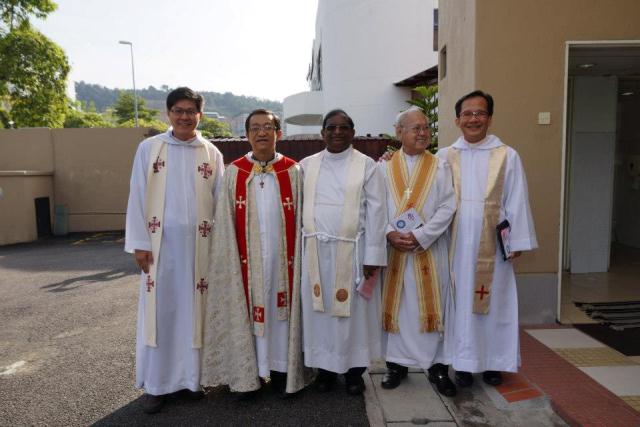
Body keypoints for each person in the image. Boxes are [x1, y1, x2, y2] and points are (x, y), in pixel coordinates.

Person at [124, 87, 224, 414]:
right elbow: (138, 195)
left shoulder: (210, 152)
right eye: (178, 110)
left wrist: (221, 248)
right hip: (160, 248)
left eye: (190, 111)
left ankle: (191, 380)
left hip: (200, 249)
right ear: (168, 114)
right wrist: (139, 243)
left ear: (200, 115)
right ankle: (157, 385)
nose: (184, 116)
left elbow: (220, 202)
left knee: (194, 313)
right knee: (161, 313)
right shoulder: (150, 149)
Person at [437, 90, 537, 387]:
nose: (473, 119)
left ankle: (493, 362)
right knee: (458, 305)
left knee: (494, 304)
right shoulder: (445, 156)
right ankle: (463, 363)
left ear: (490, 118)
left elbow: (516, 199)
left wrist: (516, 241)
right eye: (467, 114)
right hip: (454, 245)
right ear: (457, 120)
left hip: (492, 248)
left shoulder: (507, 155)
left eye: (480, 113)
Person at [201, 109, 304, 398]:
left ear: (278, 133)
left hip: (285, 261)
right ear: (246, 135)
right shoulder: (235, 172)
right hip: (248, 262)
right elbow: (223, 223)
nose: (262, 132)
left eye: (268, 127)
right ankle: (249, 376)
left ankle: (284, 371)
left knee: (281, 313)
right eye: (255, 128)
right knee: (250, 310)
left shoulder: (293, 171)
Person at [300, 109, 387, 395]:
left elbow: (377, 212)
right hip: (314, 252)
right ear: (322, 132)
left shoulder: (366, 166)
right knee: (320, 314)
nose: (337, 132)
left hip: (353, 252)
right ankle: (324, 372)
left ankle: (353, 373)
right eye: (331, 127)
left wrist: (372, 257)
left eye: (343, 127)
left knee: (351, 316)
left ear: (353, 131)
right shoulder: (306, 166)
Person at [379, 107, 457, 397]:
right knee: (398, 308)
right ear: (399, 132)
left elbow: (448, 205)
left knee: (432, 308)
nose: (423, 132)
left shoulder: (440, 166)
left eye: (426, 127)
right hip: (395, 251)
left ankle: (437, 367)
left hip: (429, 250)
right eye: (416, 128)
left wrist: (422, 235)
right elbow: (375, 206)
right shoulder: (383, 168)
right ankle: (396, 365)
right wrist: (389, 233)